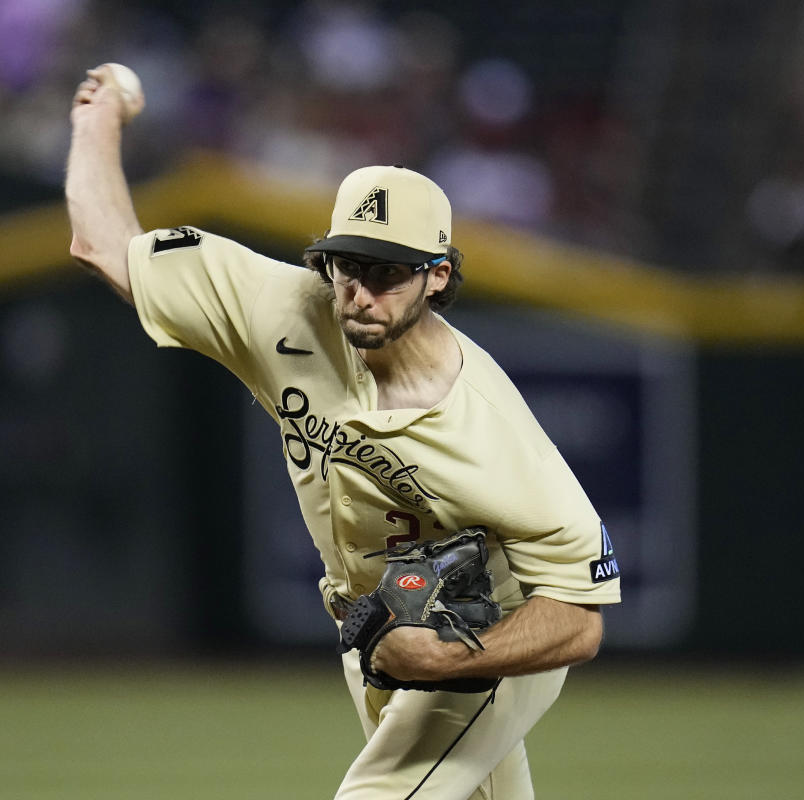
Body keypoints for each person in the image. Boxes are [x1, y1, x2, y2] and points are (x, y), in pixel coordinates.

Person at [66, 64, 621, 800]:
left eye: (387, 271)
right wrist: (96, 121)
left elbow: (579, 619)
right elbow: (105, 244)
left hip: (485, 634)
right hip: (375, 630)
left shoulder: (487, 426)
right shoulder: (281, 310)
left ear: (440, 277)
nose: (358, 291)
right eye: (346, 264)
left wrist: (451, 660)